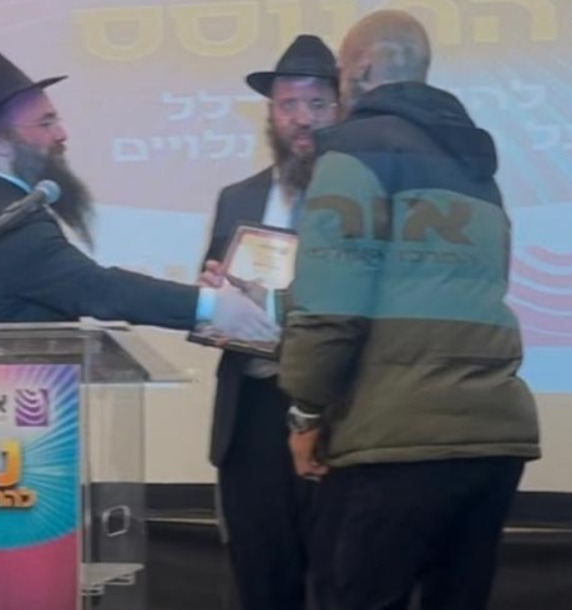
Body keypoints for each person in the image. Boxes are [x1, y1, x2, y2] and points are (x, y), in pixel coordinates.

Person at [276, 10, 541, 610]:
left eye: (340, 72)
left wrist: (305, 411)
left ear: (363, 68)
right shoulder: (475, 166)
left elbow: (331, 306)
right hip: (492, 437)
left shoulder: (353, 150)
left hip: (396, 441)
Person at [0, 51, 278, 342]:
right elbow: (97, 289)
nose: (61, 133)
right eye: (45, 123)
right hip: (0, 398)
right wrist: (212, 306)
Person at [197, 34, 342, 610]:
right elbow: (215, 300)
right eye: (289, 105)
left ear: (341, 109)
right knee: (260, 578)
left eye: (317, 104)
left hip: (334, 411)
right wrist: (211, 296)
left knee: (340, 578)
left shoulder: (361, 197)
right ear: (271, 114)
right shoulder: (238, 197)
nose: (302, 118)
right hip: (252, 412)